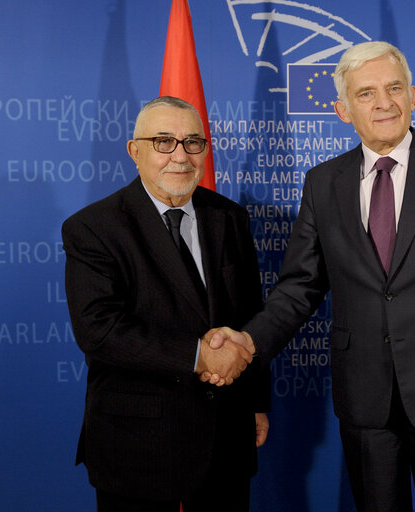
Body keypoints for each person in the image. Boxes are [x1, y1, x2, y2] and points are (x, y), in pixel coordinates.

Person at [206, 42, 415, 511]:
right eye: (367, 93)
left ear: (414, 96)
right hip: (365, 399)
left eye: (394, 88)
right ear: (342, 109)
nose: (384, 103)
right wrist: (249, 342)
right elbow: (299, 287)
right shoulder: (323, 182)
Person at [62, 96, 270, 512]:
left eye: (193, 142)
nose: (180, 155)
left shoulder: (229, 217)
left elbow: (251, 313)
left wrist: (256, 404)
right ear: (134, 150)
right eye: (163, 141)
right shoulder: (93, 227)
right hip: (140, 445)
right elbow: (99, 330)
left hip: (225, 437)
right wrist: (200, 357)